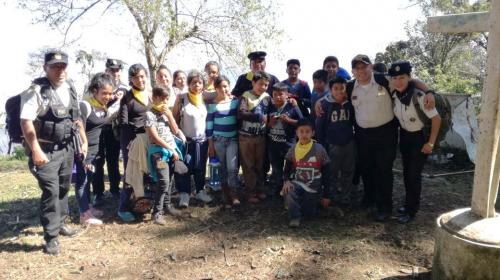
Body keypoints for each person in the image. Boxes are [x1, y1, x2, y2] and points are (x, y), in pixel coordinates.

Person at [20, 50, 88, 254]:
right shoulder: (36, 91)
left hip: (66, 148)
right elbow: (26, 122)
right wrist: (36, 150)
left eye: (63, 66)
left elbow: (76, 118)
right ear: (45, 68)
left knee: (64, 188)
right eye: (55, 67)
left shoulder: (71, 88)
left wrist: (83, 141)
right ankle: (51, 237)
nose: (60, 70)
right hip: (45, 150)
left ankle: (60, 223)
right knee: (51, 192)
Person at [388, 60, 441, 223]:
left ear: (409, 77)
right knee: (406, 172)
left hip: (419, 139)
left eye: (402, 77)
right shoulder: (395, 94)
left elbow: (436, 119)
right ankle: (407, 204)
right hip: (405, 136)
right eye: (395, 78)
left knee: (413, 175)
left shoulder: (420, 96)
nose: (398, 81)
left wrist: (430, 143)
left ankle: (411, 211)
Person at [75, 73, 115, 225]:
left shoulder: (102, 106)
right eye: (104, 93)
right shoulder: (85, 105)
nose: (107, 96)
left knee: (89, 179)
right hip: (83, 151)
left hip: (94, 151)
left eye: (110, 93)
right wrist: (83, 150)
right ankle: (84, 215)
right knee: (82, 182)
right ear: (94, 91)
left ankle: (88, 207)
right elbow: (78, 128)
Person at [117, 63, 153, 222]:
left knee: (149, 172)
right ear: (131, 79)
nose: (140, 80)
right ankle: (123, 208)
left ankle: (143, 204)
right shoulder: (127, 98)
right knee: (131, 173)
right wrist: (132, 140)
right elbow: (123, 123)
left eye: (142, 76)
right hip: (132, 140)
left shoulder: (151, 94)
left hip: (150, 138)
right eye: (136, 77)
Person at [172, 70, 213, 208]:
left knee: (200, 167)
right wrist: (177, 136)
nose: (197, 85)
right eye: (193, 82)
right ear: (189, 84)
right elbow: (174, 118)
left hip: (202, 141)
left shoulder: (205, 99)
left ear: (203, 85)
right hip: (186, 142)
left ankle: (200, 191)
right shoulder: (182, 98)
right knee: (185, 168)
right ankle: (184, 194)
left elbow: (220, 93)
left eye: (199, 82)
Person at [145, 86, 184, 225]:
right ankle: (157, 212)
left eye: (167, 99)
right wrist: (170, 149)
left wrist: (169, 115)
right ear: (154, 98)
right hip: (159, 154)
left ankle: (167, 206)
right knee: (163, 181)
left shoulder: (165, 113)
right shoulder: (149, 114)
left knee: (170, 179)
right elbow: (154, 138)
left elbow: (175, 130)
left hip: (171, 152)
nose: (165, 102)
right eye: (162, 99)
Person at [281, 119, 331, 228]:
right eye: (301, 131)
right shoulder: (293, 149)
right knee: (288, 191)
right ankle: (295, 217)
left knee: (309, 215)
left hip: (314, 187)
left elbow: (327, 173)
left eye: (307, 132)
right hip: (298, 184)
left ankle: (320, 208)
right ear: (297, 133)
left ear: (313, 133)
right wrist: (286, 181)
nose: (304, 134)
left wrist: (326, 195)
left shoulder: (319, 149)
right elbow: (286, 169)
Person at [316, 77, 356, 208]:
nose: (339, 91)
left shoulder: (351, 103)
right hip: (332, 144)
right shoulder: (325, 104)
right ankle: (331, 195)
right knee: (331, 172)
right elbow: (320, 127)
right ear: (330, 90)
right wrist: (321, 146)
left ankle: (345, 196)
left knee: (348, 171)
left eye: (342, 88)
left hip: (349, 143)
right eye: (335, 88)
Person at [92, 58, 127, 206]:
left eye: (117, 70)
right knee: (97, 160)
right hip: (97, 128)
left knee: (113, 160)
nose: (114, 72)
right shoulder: (96, 85)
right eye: (111, 70)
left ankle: (115, 190)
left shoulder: (125, 88)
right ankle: (98, 193)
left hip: (114, 128)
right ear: (106, 70)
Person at [206, 75, 241, 207]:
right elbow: (209, 126)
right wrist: (211, 145)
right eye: (220, 87)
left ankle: (234, 194)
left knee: (232, 168)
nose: (223, 89)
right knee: (223, 169)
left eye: (225, 86)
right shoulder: (212, 105)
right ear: (216, 88)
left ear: (229, 87)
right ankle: (225, 194)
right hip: (218, 141)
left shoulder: (235, 101)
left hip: (232, 140)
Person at [238, 71, 272, 203]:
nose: (263, 87)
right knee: (248, 165)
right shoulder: (246, 96)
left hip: (261, 136)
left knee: (260, 165)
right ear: (253, 82)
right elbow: (241, 113)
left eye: (266, 85)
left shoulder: (267, 97)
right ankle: (250, 192)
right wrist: (258, 117)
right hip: (246, 137)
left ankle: (260, 189)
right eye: (261, 84)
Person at [267, 82, 303, 196]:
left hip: (288, 146)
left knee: (290, 170)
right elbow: (265, 125)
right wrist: (270, 123)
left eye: (280, 94)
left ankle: (290, 192)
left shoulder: (292, 106)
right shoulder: (270, 106)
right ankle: (277, 190)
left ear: (287, 95)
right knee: (276, 169)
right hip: (273, 146)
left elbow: (302, 123)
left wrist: (289, 121)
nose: (277, 97)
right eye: (275, 94)